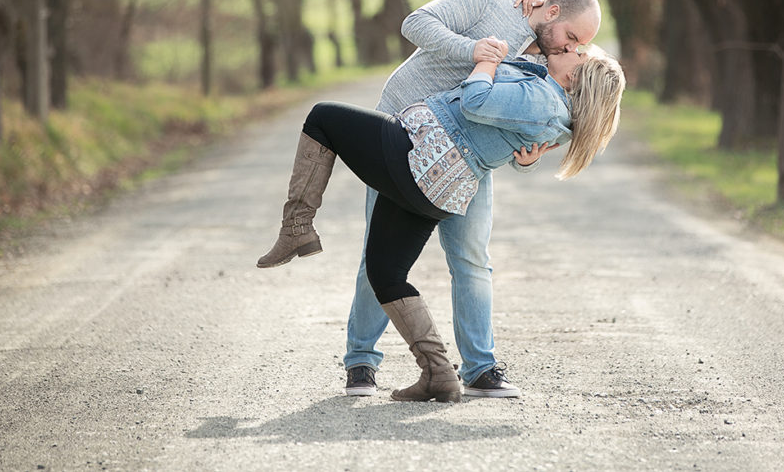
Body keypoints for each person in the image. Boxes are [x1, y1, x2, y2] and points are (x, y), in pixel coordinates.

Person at [256, 45, 626, 402]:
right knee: (385, 274)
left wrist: (485, 61)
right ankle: (438, 373)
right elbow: (505, 137)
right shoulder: (558, 115)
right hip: (439, 191)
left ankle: (297, 227)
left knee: (323, 117)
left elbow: (476, 101)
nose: (570, 50)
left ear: (576, 76)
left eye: (577, 53)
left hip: (418, 154)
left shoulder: (542, 101)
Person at [338, 0, 602, 399]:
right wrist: (473, 50)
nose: (571, 48)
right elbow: (415, 22)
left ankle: (479, 369)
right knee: (379, 252)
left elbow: (513, 121)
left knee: (472, 259)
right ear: (551, 12)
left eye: (580, 45)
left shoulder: (542, 58)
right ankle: (361, 363)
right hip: (403, 133)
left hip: (465, 161)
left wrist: (524, 159)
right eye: (571, 37)